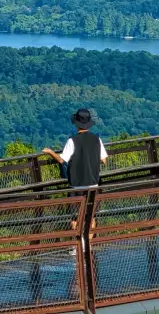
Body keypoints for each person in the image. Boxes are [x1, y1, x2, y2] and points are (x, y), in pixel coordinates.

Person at [42, 108, 108, 255]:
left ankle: (77, 246)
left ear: (76, 124)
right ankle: (88, 245)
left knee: (74, 217)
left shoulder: (72, 140)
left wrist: (50, 152)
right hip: (93, 183)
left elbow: (62, 159)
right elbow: (104, 160)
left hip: (76, 184)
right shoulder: (97, 139)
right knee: (92, 216)